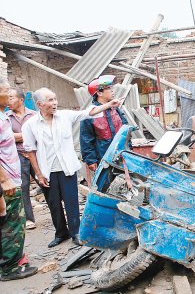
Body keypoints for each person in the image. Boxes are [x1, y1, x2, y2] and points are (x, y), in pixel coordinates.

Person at [22, 87, 123, 248]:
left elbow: (88, 113)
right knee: (54, 204)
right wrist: (39, 174)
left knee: (71, 202)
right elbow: (30, 151)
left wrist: (109, 104)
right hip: (47, 171)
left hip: (67, 167)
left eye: (55, 99)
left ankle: (76, 232)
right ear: (40, 104)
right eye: (50, 100)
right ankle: (60, 233)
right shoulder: (30, 125)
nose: (55, 103)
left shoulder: (65, 116)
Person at [0, 78, 38, 281]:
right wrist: (5, 181)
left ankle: (9, 261)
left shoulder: (3, 117)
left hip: (9, 177)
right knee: (13, 223)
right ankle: (9, 269)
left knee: (8, 222)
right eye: (6, 91)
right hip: (6, 181)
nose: (10, 95)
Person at [80, 75, 128, 172]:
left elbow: (125, 129)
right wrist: (91, 160)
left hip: (122, 154)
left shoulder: (115, 109)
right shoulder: (91, 114)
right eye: (109, 88)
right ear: (99, 93)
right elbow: (86, 139)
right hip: (103, 158)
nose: (112, 91)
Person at [6, 88, 37, 230]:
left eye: (11, 97)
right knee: (23, 187)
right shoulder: (6, 117)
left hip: (36, 154)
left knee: (46, 184)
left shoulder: (34, 115)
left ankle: (58, 217)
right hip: (19, 155)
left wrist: (17, 136)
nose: (8, 101)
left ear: (21, 100)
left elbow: (39, 134)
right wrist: (28, 134)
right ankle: (29, 219)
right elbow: (8, 137)